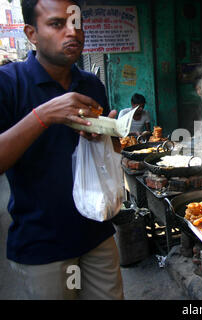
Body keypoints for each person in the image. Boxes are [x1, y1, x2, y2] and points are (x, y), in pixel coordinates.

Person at [0, 0, 124, 299]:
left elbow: (111, 153)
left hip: (97, 231)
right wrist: (43, 116)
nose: (73, 32)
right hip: (43, 244)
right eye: (57, 24)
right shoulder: (8, 83)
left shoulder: (91, 84)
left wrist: (106, 136)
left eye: (77, 23)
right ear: (32, 33)